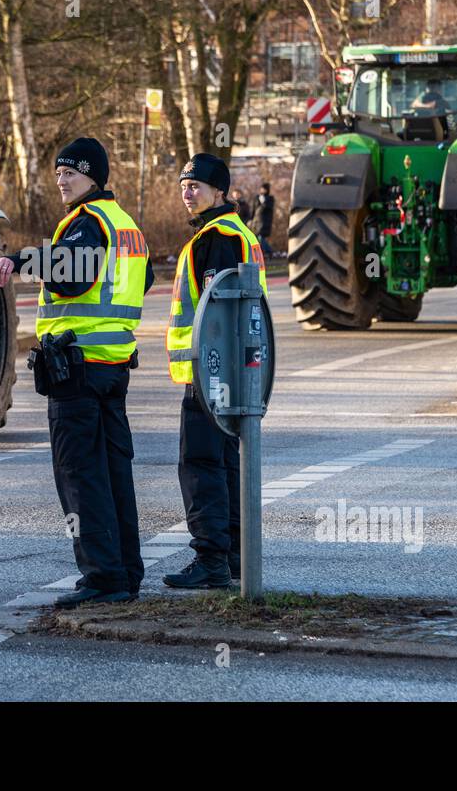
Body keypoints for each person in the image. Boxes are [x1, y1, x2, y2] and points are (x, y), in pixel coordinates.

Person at [0, 137, 152, 606]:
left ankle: (103, 577)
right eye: (58, 172)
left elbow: (73, 273)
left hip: (78, 370)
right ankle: (125, 572)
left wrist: (16, 260)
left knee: (81, 475)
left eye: (70, 172)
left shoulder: (87, 223)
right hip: (112, 367)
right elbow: (145, 280)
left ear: (93, 176)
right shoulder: (125, 224)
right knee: (114, 472)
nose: (61, 179)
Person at [163, 153, 267, 589]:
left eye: (197, 186)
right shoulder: (236, 233)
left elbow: (215, 311)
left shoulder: (215, 238)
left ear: (219, 192)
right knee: (226, 466)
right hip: (229, 373)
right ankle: (234, 559)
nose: (188, 192)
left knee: (201, 465)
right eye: (184, 185)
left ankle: (211, 561)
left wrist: (208, 373)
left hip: (208, 376)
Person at [256, 181, 276, 257]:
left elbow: (269, 208)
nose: (262, 190)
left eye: (264, 189)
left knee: (261, 238)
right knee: (259, 238)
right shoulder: (257, 197)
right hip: (257, 222)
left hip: (265, 221)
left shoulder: (270, 198)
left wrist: (263, 202)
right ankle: (269, 251)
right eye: (261, 189)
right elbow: (254, 209)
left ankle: (263, 254)